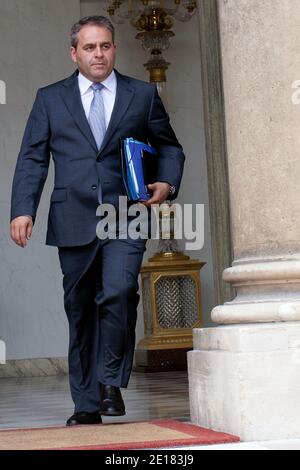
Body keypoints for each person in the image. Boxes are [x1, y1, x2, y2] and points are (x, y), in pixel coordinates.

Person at [10, 16, 185, 426]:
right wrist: (23, 208)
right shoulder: (50, 99)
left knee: (120, 291)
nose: (98, 54)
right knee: (80, 308)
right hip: (72, 218)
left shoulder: (140, 95)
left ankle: (110, 382)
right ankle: (86, 405)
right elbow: (32, 158)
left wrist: (167, 183)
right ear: (74, 53)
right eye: (89, 48)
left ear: (114, 49)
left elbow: (168, 146)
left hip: (126, 213)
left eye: (105, 46)